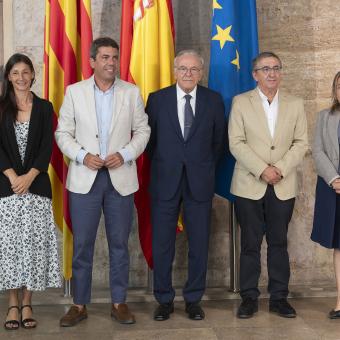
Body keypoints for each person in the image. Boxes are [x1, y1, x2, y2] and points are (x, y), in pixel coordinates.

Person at [55, 37, 150, 327]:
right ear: (92, 61)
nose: (111, 63)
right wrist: (83, 156)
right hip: (85, 179)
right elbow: (63, 134)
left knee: (119, 244)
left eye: (114, 57)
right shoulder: (74, 92)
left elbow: (143, 131)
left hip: (120, 179)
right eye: (105, 57)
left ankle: (119, 302)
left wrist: (125, 154)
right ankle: (79, 304)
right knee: (82, 244)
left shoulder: (131, 92)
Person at [146, 50, 226, 321]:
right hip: (164, 181)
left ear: (201, 73)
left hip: (199, 182)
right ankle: (164, 299)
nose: (188, 74)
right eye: (183, 69)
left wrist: (200, 165)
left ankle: (194, 300)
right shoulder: (156, 100)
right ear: (174, 70)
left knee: (200, 243)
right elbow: (150, 141)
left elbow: (218, 143)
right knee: (162, 244)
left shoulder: (214, 101)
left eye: (193, 69)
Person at [229, 51, 308, 319]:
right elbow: (235, 142)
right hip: (249, 183)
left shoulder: (295, 103)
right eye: (265, 69)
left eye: (276, 68)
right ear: (255, 74)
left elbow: (301, 143)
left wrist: (280, 169)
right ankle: (249, 297)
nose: (271, 73)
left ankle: (279, 298)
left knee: (278, 242)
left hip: (283, 184)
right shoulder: (240, 102)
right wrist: (262, 169)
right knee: (250, 243)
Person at [0, 53, 61, 331]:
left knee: (33, 247)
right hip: (7, 188)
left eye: (26, 72)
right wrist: (14, 177)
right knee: (10, 248)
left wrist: (30, 176)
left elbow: (47, 147)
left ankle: (27, 303)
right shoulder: (0, 108)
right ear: (8, 78)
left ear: (33, 75)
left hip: (37, 186)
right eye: (15, 73)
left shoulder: (45, 108)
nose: (21, 78)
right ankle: (12, 303)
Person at [311, 71, 340, 319]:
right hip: (334, 188)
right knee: (339, 247)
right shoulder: (324, 117)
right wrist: (334, 179)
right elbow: (317, 151)